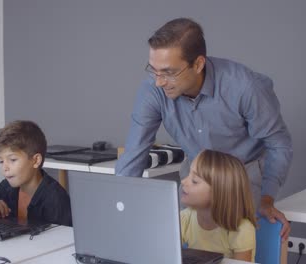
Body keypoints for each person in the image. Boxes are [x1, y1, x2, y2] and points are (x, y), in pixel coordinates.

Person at [115, 17, 293, 240]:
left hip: (242, 178)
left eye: (168, 72)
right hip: (194, 175)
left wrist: (267, 199)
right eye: (153, 70)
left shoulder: (245, 87)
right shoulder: (154, 89)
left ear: (198, 64)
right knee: (184, 250)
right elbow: (134, 154)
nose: (159, 82)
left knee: (238, 247)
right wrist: (117, 205)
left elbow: (279, 144)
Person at [0, 120, 72, 226]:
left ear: (35, 160)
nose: (5, 168)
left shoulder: (56, 199)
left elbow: (63, 239)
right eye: (1, 161)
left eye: (12, 160)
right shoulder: (7, 187)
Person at [181, 150, 256, 262]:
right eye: (188, 174)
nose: (183, 181)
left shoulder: (242, 229)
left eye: (194, 181)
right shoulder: (185, 218)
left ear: (219, 192)